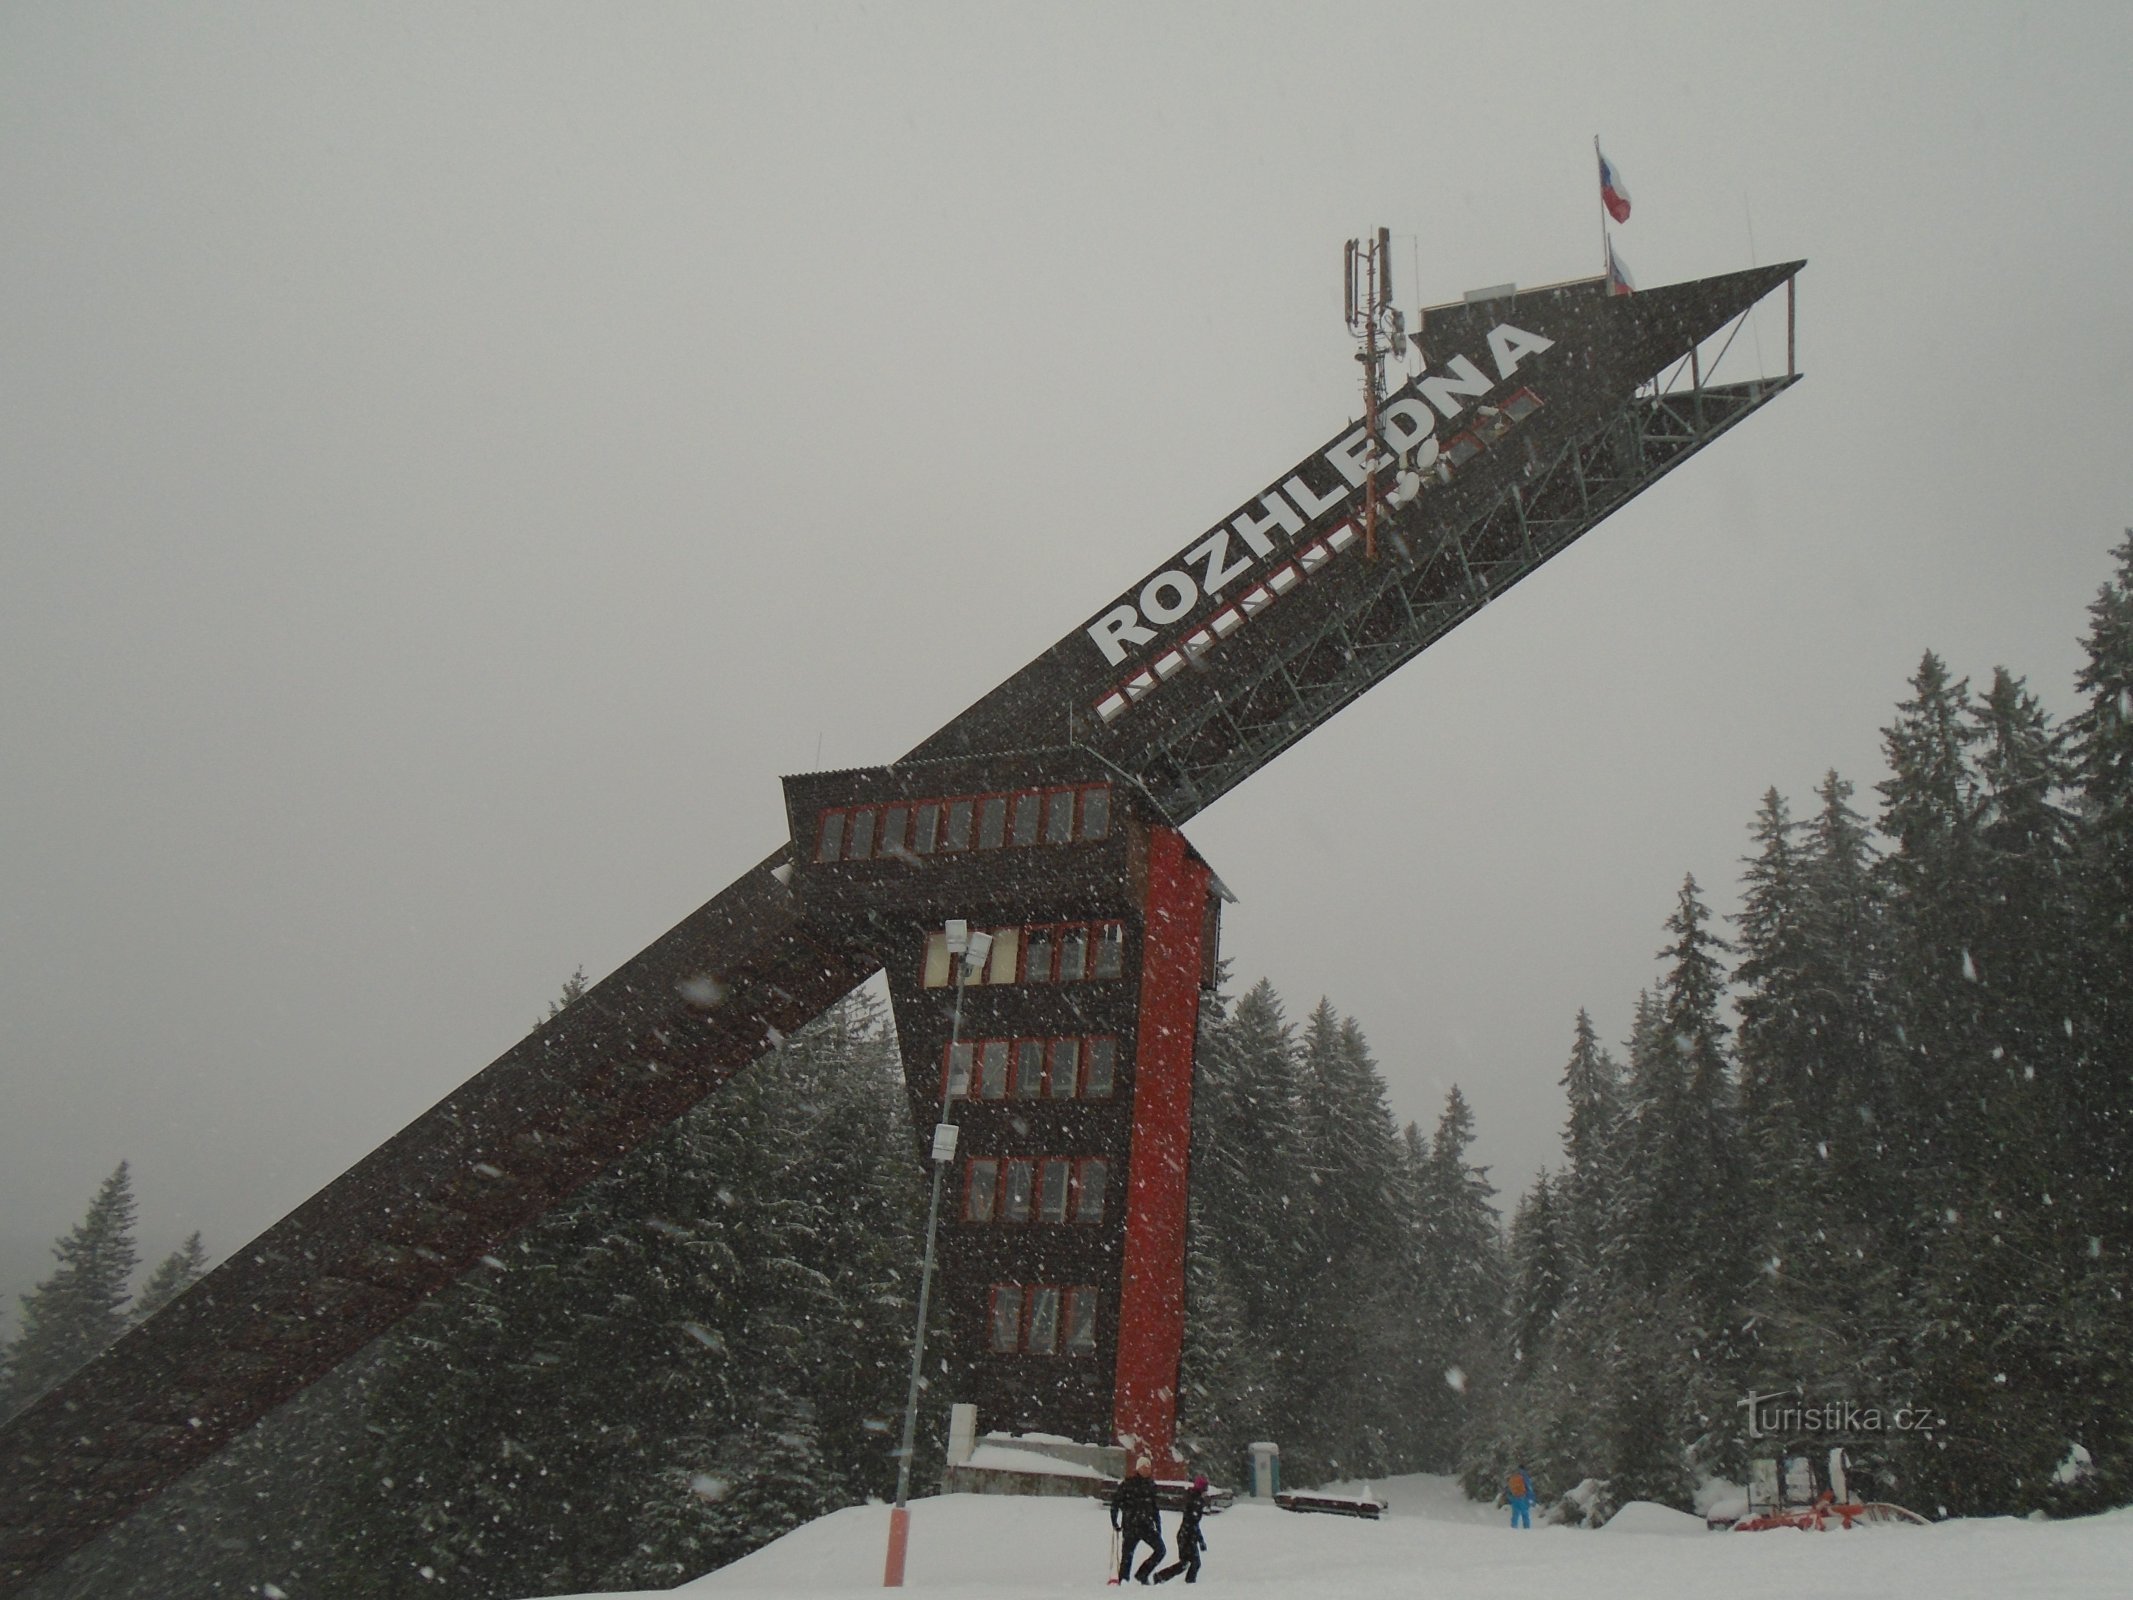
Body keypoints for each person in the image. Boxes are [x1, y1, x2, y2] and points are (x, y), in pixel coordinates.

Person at [1109, 1456, 1166, 1585]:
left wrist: (1158, 1525)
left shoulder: (1151, 1485)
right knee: (1127, 1556)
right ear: (1138, 1468)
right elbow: (1115, 1503)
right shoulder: (1128, 1484)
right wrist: (1114, 1521)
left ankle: (1142, 1574)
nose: (1148, 1470)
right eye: (1145, 1467)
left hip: (1146, 1525)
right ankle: (1123, 1581)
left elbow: (1154, 1507)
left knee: (1161, 1550)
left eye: (1149, 1467)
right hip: (1131, 1525)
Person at [1152, 1474, 1209, 1584]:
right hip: (1187, 1536)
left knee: (1185, 1563)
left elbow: (1193, 1523)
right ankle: (1188, 1583)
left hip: (1185, 1535)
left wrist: (1199, 1540)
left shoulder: (1193, 1498)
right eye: (1205, 1487)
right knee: (1193, 1563)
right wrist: (1200, 1540)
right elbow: (1193, 1523)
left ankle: (1161, 1576)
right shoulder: (1196, 1501)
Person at [1506, 1463, 1535, 1529]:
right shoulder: (1525, 1476)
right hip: (1523, 1497)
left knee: (1515, 1514)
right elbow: (1529, 1488)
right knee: (1525, 1514)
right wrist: (1532, 1499)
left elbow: (1509, 1489)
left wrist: (1511, 1498)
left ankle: (1513, 1528)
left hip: (1514, 1497)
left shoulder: (1514, 1476)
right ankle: (1527, 1529)